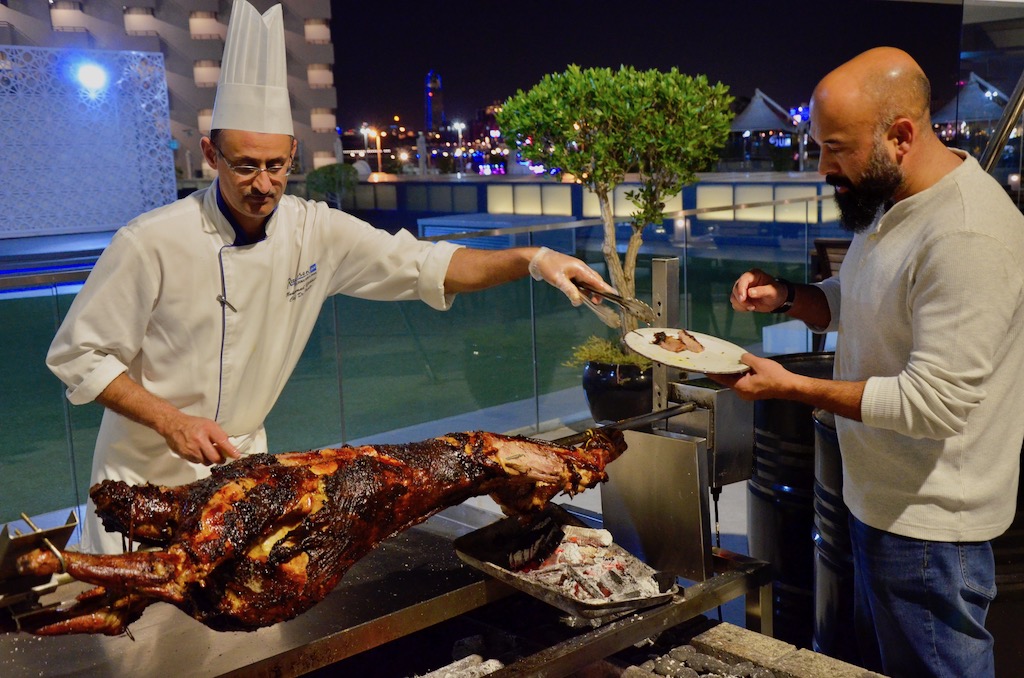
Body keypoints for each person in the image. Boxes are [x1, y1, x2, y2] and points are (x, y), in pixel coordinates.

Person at [46, 1, 613, 555]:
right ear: (210, 155)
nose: (263, 184)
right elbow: (80, 355)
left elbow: (426, 265)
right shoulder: (149, 241)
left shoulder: (314, 230)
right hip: (142, 481)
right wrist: (170, 421)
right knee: (139, 642)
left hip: (240, 475)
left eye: (276, 166)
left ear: (294, 153)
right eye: (244, 165)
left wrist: (533, 259)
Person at [717, 47, 1024, 678]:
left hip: (931, 527)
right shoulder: (892, 197)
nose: (823, 167)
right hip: (876, 499)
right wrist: (792, 297)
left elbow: (933, 402)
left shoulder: (967, 233)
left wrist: (792, 387)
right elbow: (864, 302)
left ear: (901, 136)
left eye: (835, 148)